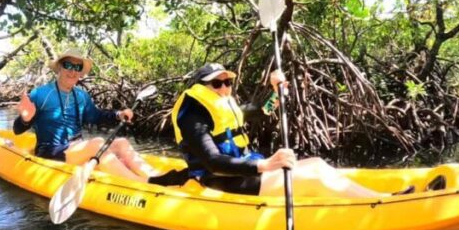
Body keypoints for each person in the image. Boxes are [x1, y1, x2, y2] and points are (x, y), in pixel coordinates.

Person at [153, 63, 413, 198]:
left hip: (241, 169)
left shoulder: (221, 105)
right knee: (315, 178)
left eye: (228, 82)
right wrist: (264, 165)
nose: (224, 88)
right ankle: (383, 200)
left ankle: (374, 196)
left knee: (317, 164)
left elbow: (257, 110)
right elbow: (212, 162)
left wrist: (276, 93)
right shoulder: (192, 115)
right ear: (202, 86)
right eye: (217, 84)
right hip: (221, 179)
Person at [13, 48, 153, 181]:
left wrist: (118, 114)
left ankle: (157, 177)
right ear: (59, 67)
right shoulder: (41, 94)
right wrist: (25, 119)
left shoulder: (81, 95)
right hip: (51, 152)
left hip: (77, 149)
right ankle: (140, 182)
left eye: (78, 67)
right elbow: (17, 130)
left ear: (80, 73)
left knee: (122, 143)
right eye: (68, 65)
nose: (73, 71)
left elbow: (96, 116)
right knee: (97, 143)